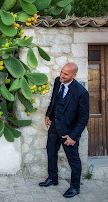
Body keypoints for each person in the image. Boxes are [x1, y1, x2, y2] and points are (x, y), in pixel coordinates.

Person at [39, 62, 89, 198]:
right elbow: (54, 99)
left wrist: (73, 136)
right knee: (51, 151)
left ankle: (75, 187)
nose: (61, 75)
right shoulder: (58, 81)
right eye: (61, 72)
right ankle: (53, 178)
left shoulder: (81, 92)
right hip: (55, 125)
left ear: (74, 75)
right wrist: (48, 114)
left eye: (65, 74)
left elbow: (84, 118)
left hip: (69, 131)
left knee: (73, 159)